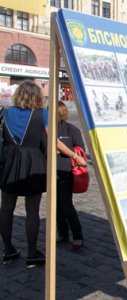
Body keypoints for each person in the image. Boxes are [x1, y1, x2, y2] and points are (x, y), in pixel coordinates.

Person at [0, 80, 86, 268]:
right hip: (33, 165)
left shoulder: (5, 113)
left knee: (6, 209)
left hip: (9, 164)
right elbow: (54, 142)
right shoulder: (42, 114)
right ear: (37, 97)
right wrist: (74, 156)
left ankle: (8, 250)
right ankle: (32, 253)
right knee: (32, 210)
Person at [56, 101, 86, 250]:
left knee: (66, 204)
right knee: (56, 206)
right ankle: (62, 233)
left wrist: (64, 152)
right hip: (51, 173)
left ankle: (78, 236)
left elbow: (80, 150)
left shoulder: (72, 129)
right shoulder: (47, 129)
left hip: (66, 172)